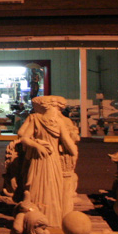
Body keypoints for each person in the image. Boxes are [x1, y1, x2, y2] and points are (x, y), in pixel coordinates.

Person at [15, 95, 79, 225]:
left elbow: (23, 136)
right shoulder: (41, 119)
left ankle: (40, 218)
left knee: (42, 185)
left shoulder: (40, 119)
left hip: (44, 159)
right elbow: (69, 144)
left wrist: (36, 145)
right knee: (48, 187)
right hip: (47, 158)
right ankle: (46, 218)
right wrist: (74, 153)